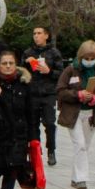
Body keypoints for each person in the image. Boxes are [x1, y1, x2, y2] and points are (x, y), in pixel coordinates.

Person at [0, 50, 38, 189]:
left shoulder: (25, 84)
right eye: (4, 63)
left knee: (13, 168)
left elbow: (32, 113)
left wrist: (34, 138)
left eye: (11, 63)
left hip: (19, 134)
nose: (8, 66)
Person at [56, 40, 95, 189]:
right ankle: (81, 179)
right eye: (86, 58)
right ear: (80, 57)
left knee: (84, 147)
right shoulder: (70, 70)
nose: (89, 61)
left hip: (91, 114)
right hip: (74, 114)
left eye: (92, 58)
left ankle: (75, 177)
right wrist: (77, 94)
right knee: (79, 144)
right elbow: (60, 91)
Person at [21, 25, 63, 166]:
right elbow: (20, 73)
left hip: (48, 94)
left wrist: (49, 71)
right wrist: (26, 63)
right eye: (34, 33)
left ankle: (51, 149)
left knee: (50, 123)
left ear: (46, 36)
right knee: (32, 124)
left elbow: (61, 74)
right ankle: (35, 152)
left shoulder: (54, 52)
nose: (36, 36)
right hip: (32, 93)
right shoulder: (28, 52)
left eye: (39, 33)